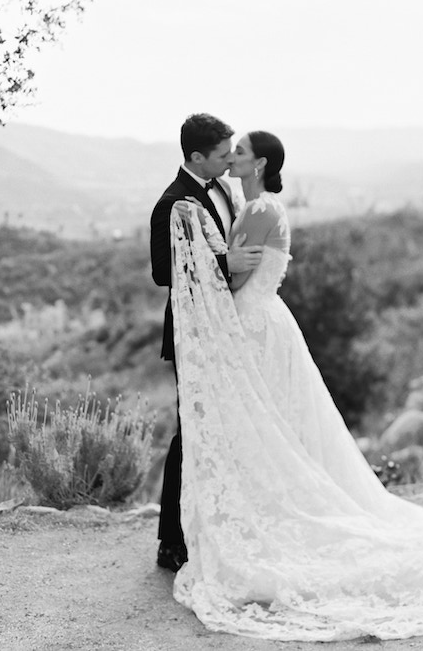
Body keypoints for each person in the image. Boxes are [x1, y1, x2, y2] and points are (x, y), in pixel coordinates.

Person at [166, 130, 423, 641]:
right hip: (261, 323)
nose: (231, 159)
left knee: (270, 425)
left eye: (238, 153)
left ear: (258, 163)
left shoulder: (259, 210)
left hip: (255, 325)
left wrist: (208, 259)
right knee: (277, 426)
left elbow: (233, 283)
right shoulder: (252, 205)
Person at [149, 113, 263, 573]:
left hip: (227, 328)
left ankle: (216, 527)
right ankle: (170, 542)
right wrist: (223, 260)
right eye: (221, 155)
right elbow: (163, 272)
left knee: (227, 429)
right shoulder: (171, 204)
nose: (229, 159)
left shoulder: (224, 190)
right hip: (193, 333)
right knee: (189, 432)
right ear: (196, 156)